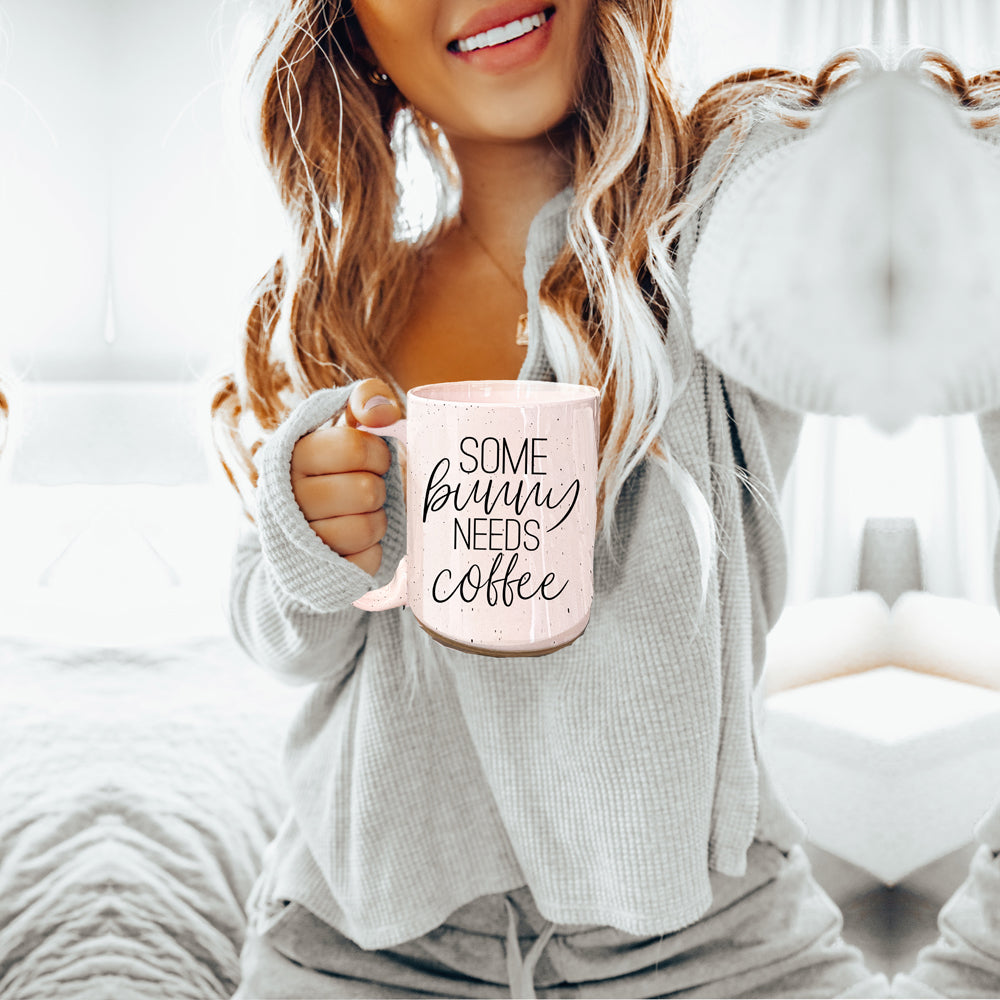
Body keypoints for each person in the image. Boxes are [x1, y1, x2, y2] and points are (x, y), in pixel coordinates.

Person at [209, 2, 938, 996]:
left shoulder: (712, 222)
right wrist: (311, 534)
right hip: (362, 939)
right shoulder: (337, 309)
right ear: (352, 34)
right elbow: (283, 639)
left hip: (707, 937)